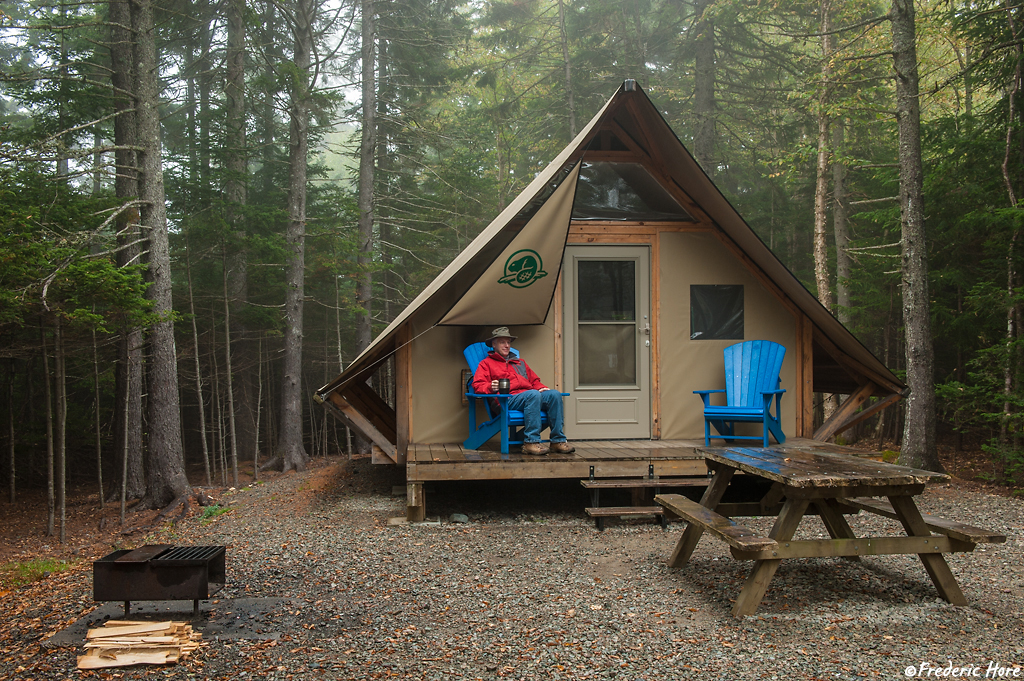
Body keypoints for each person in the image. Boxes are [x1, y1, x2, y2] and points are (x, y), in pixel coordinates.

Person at [472, 327, 575, 455]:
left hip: (530, 396)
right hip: (506, 400)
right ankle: (531, 442)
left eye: (508, 342)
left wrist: (541, 387)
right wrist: (490, 387)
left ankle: (557, 441)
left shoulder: (520, 362)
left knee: (554, 394)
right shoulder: (486, 364)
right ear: (494, 344)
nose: (507, 345)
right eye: (502, 342)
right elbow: (477, 385)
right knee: (533, 395)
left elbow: (534, 381)